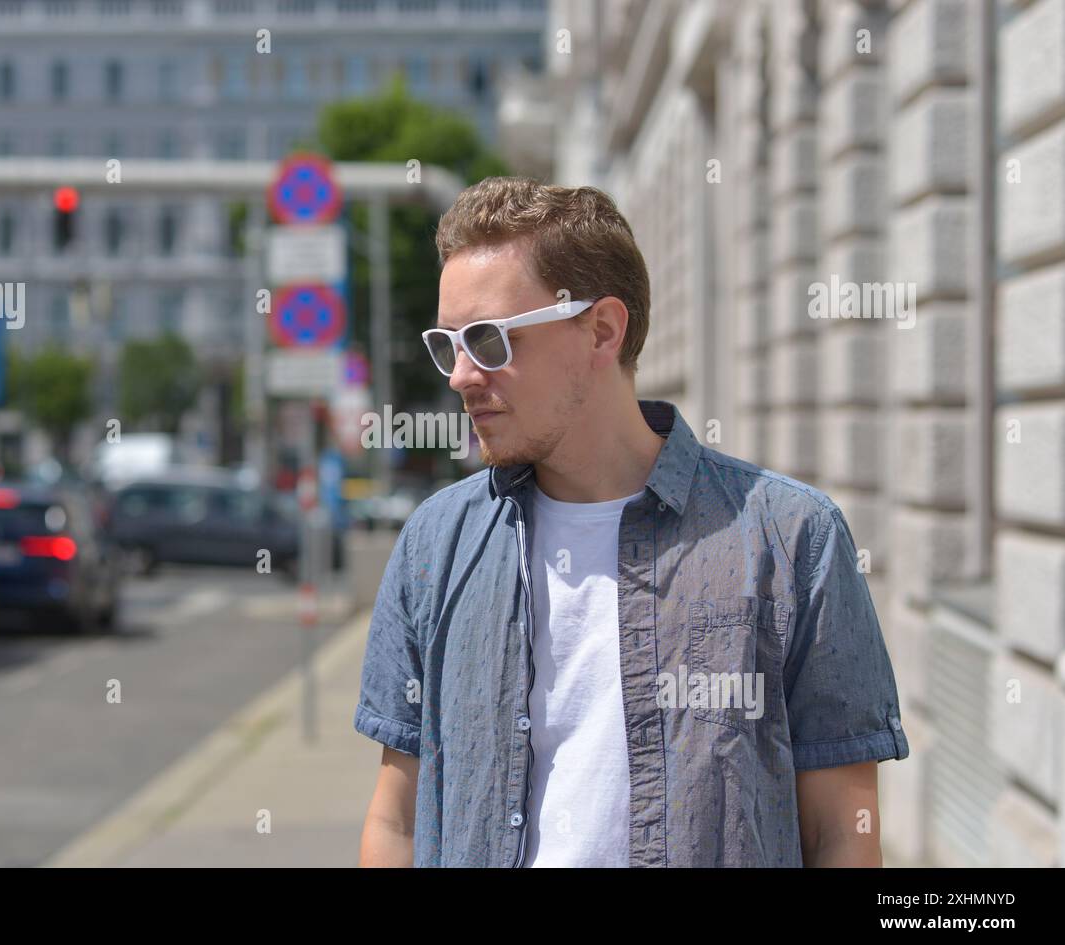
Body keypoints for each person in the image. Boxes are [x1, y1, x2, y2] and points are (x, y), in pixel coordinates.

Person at [353, 177, 909, 867]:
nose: (462, 375)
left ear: (602, 329)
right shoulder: (435, 546)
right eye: (449, 344)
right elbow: (397, 819)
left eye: (490, 340)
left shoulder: (790, 539)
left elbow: (842, 832)